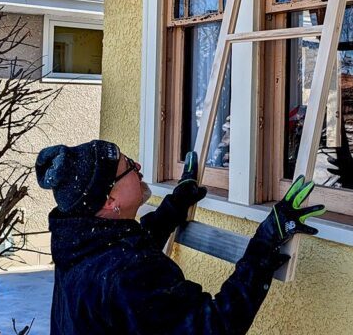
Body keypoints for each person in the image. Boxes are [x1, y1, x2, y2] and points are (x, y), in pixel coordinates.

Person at [35, 140, 325, 335]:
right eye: (129, 167)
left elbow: (128, 245)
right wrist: (265, 243)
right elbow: (214, 326)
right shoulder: (127, 273)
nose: (138, 167)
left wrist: (176, 204)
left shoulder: (80, 248)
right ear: (111, 200)